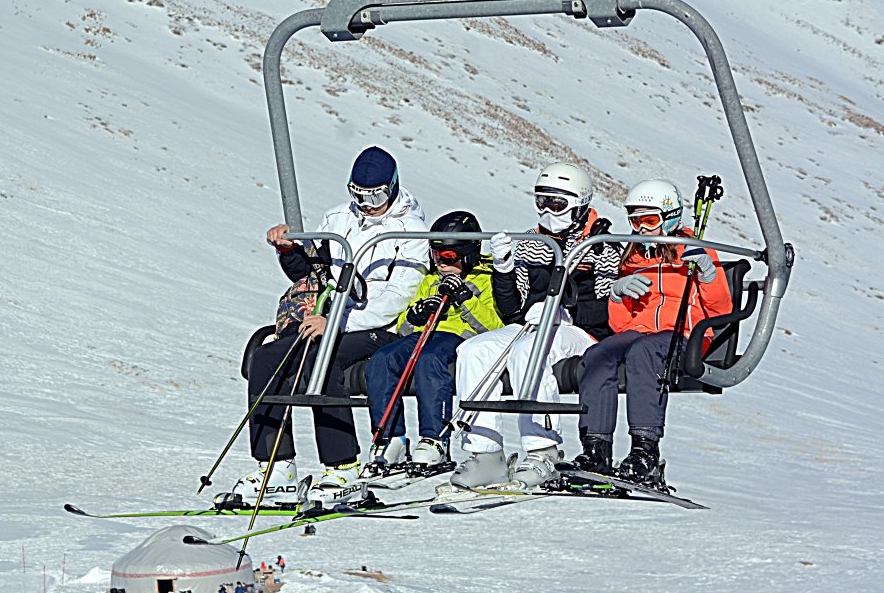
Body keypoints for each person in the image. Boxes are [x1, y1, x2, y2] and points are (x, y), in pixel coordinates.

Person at [238, 146, 428, 505]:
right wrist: (289, 250)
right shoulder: (339, 218)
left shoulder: (411, 231)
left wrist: (337, 322)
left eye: (377, 195)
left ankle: (342, 466)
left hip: (378, 327)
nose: (368, 203)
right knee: (266, 359)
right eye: (359, 194)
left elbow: (397, 298)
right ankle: (276, 467)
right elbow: (313, 273)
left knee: (321, 360)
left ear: (394, 187)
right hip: (329, 318)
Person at [452, 162, 622, 489]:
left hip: (582, 331)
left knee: (528, 351)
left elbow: (606, 310)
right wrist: (503, 268)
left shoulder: (599, 243)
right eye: (541, 201)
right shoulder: (533, 240)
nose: (547, 211)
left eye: (556, 204)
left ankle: (542, 451)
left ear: (579, 203)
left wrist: (562, 310)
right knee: (473, 349)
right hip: (535, 323)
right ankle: (485, 454)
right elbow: (512, 310)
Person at [563, 179, 733, 485]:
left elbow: (720, 310)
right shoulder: (634, 258)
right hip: (640, 334)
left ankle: (645, 451)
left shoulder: (694, 251)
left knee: (645, 352)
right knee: (598, 354)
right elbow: (620, 326)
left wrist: (707, 274)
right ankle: (596, 449)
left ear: (670, 217)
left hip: (685, 335)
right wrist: (617, 294)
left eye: (649, 220)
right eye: (635, 220)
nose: (640, 228)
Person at [365, 210, 504, 472]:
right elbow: (403, 329)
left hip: (458, 337)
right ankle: (391, 438)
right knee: (382, 359)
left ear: (468, 254)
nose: (440, 263)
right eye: (435, 255)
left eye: (448, 257)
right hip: (425, 333)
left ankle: (434, 440)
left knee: (430, 360)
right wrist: (416, 315)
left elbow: (493, 327)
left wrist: (464, 298)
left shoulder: (486, 278)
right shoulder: (431, 280)